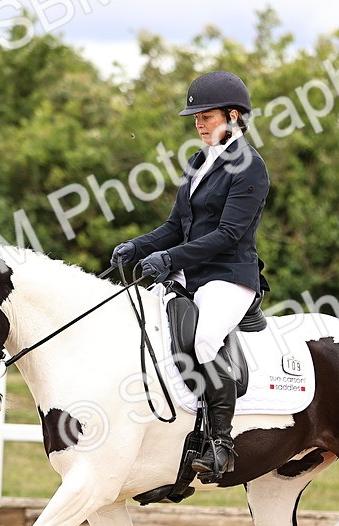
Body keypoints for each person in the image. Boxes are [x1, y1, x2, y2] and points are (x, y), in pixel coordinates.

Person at [110, 70, 270, 483]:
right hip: (189, 273)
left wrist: (169, 258)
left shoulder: (250, 167)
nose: (198, 124)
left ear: (233, 116)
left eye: (206, 116)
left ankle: (220, 443)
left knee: (204, 339)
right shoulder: (199, 163)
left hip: (229, 276)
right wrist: (137, 246)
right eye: (196, 117)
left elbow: (228, 234)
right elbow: (175, 226)